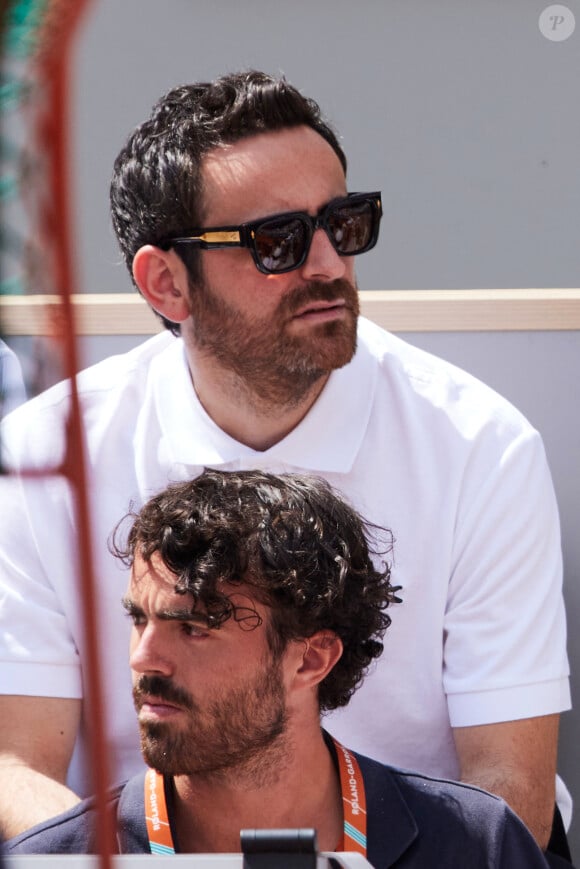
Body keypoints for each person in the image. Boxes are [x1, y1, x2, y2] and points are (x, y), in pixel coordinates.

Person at [0, 71, 570, 857]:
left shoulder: (480, 445)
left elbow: (509, 789)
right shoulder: (41, 453)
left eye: (346, 222)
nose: (330, 265)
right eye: (278, 241)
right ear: (166, 282)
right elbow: (13, 762)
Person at [4, 469, 555, 867]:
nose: (143, 657)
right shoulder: (46, 859)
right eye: (139, 620)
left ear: (311, 659)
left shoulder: (478, 845)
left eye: (194, 627)